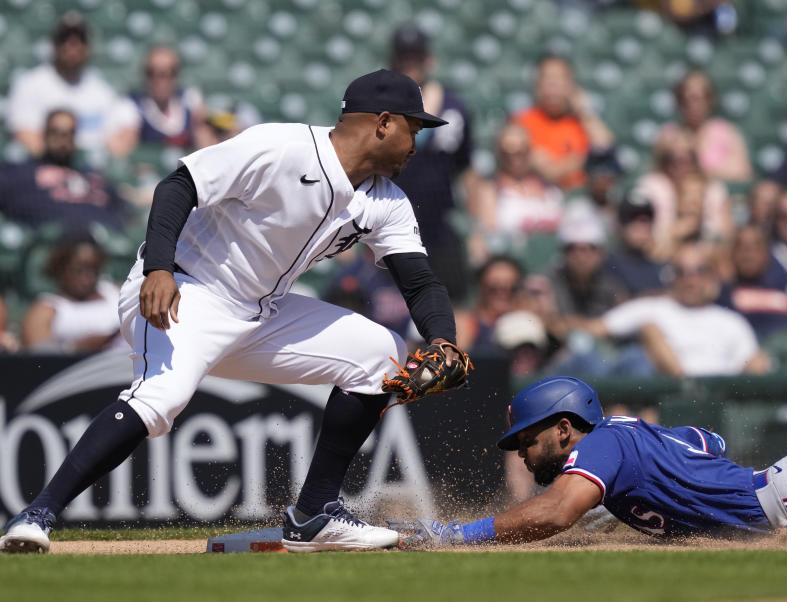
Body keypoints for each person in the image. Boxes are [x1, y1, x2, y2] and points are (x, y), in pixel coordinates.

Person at [0, 69, 468, 554]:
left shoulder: (387, 202)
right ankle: (37, 515)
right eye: (414, 129)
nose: (417, 143)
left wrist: (442, 338)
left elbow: (419, 281)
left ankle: (314, 515)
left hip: (262, 312)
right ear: (384, 123)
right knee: (163, 397)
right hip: (184, 290)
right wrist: (158, 267)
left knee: (382, 352)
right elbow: (178, 185)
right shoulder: (281, 148)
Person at [390, 376, 787, 546]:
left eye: (526, 438)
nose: (519, 448)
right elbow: (707, 441)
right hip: (784, 498)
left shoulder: (601, 446)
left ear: (565, 430)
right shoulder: (618, 442)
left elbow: (557, 512)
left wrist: (455, 534)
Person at [582, 242, 769, 377]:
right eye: (681, 272)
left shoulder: (731, 321)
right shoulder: (654, 308)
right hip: (668, 404)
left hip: (721, 406)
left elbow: (754, 365)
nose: (690, 279)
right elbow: (597, 327)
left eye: (699, 270)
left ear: (712, 275)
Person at [388, 25, 478, 303]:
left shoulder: (454, 108)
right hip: (387, 220)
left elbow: (467, 171)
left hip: (438, 225)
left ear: (429, 58)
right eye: (405, 56)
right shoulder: (377, 106)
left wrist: (478, 229)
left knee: (449, 301)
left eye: (416, 55)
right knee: (389, 305)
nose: (410, 62)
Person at [6, 12, 138, 159]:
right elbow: (26, 136)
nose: (72, 44)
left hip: (92, 172)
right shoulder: (29, 84)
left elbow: (118, 140)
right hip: (46, 169)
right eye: (65, 38)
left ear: (88, 46)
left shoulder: (101, 89)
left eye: (80, 39)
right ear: (54, 44)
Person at [0, 110, 131, 232]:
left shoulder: (92, 176)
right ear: (44, 134)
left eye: (70, 133)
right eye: (56, 132)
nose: (63, 140)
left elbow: (124, 206)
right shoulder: (20, 172)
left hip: (101, 236)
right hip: (52, 241)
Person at [512, 55, 614, 191]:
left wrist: (584, 110)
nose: (554, 85)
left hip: (582, 197)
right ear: (537, 85)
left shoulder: (581, 121)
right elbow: (550, 172)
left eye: (560, 79)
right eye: (548, 78)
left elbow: (605, 146)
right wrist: (590, 157)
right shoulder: (522, 122)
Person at [633, 131, 733, 260]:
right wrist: (679, 230)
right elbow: (648, 248)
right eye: (674, 160)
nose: (682, 166)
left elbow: (726, 238)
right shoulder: (653, 187)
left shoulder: (713, 189)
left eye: (688, 159)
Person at [471, 123, 566, 255]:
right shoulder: (490, 188)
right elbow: (486, 237)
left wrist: (544, 166)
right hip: (514, 260)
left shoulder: (549, 186)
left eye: (521, 151)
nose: (514, 159)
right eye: (506, 153)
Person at [20, 235, 124, 354]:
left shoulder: (118, 293)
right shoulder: (46, 309)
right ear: (60, 269)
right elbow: (38, 359)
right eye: (78, 270)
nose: (87, 278)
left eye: (93, 269)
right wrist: (76, 348)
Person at [657, 70, 752, 182]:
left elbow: (742, 172)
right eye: (688, 97)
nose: (693, 104)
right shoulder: (668, 134)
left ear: (710, 100)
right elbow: (657, 175)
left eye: (700, 97)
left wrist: (697, 173)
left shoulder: (727, 132)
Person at [716, 225, 787, 341]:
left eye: (755, 248)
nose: (748, 256)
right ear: (732, 253)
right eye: (742, 248)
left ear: (766, 252)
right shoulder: (722, 293)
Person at [130, 45, 206, 148]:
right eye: (151, 72)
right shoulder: (132, 107)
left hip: (184, 164)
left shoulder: (190, 101)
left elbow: (207, 147)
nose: (159, 80)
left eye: (168, 73)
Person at [603, 192, 668, 297]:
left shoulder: (663, 268)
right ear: (620, 225)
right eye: (633, 220)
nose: (640, 227)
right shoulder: (608, 266)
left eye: (645, 220)